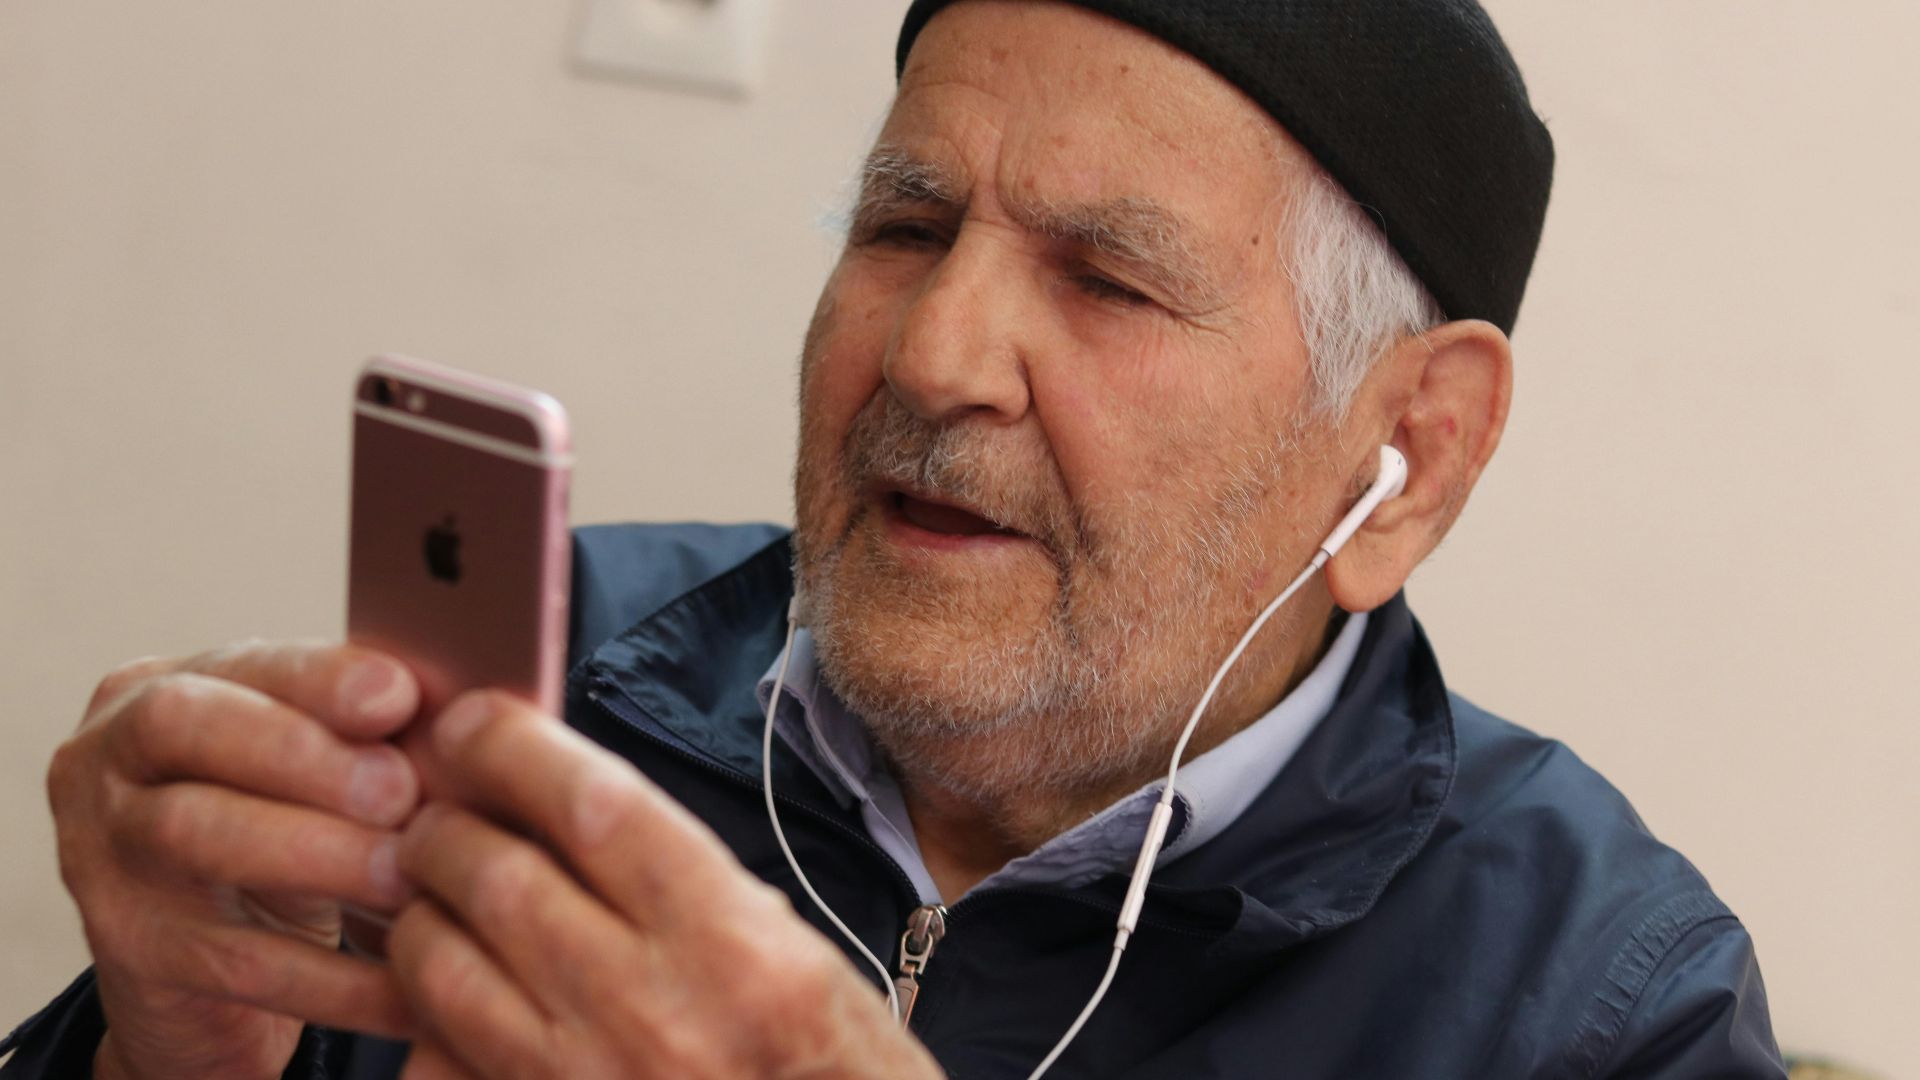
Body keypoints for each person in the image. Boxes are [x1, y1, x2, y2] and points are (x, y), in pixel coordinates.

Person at [2, 1, 1786, 1077]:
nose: (933, 357)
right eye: (906, 228)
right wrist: (163, 1059)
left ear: (1415, 453)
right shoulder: (541, 680)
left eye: (1108, 280)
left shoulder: (1596, 1002)